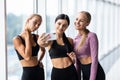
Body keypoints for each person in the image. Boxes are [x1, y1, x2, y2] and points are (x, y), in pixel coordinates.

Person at [38, 14, 78, 80]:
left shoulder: (70, 40)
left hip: (71, 71)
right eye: (59, 23)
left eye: (64, 25)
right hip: (57, 73)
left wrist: (73, 59)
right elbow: (42, 43)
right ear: (55, 23)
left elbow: (73, 60)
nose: (61, 27)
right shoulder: (50, 37)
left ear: (67, 27)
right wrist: (40, 41)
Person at [73, 11, 105, 80]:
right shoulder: (75, 39)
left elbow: (95, 60)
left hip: (95, 73)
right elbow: (77, 63)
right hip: (84, 72)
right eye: (76, 19)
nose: (77, 22)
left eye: (81, 20)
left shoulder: (91, 36)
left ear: (87, 23)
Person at [13, 14, 45, 80]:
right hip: (28, 74)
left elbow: (43, 50)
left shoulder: (36, 37)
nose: (36, 26)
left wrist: (39, 61)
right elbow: (27, 57)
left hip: (39, 71)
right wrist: (27, 37)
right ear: (28, 20)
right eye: (35, 22)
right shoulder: (17, 39)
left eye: (39, 25)